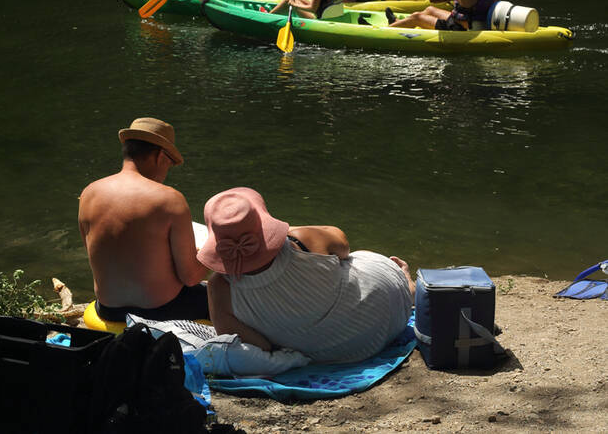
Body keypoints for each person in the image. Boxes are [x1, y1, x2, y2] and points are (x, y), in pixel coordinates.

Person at [197, 187, 414, 364]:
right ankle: (408, 285)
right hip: (386, 317)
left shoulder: (219, 288)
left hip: (329, 355)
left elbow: (259, 345)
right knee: (360, 256)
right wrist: (287, 231)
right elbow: (343, 246)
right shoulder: (300, 241)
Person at [78, 117, 210, 323]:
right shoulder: (169, 200)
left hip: (108, 310)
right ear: (160, 156)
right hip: (162, 311)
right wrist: (213, 251)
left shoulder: (89, 193)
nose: (168, 169)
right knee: (222, 293)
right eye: (171, 162)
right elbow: (190, 277)